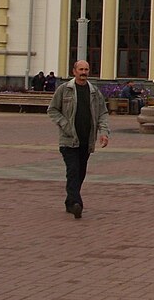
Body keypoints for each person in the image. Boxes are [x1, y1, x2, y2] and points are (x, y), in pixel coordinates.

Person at [47, 60, 110, 219]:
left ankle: (70, 202)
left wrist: (104, 132)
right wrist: (64, 124)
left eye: (86, 69)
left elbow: (102, 113)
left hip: (86, 140)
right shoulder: (64, 90)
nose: (84, 72)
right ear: (74, 71)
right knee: (73, 170)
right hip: (68, 140)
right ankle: (77, 204)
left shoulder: (94, 92)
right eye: (81, 69)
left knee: (80, 172)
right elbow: (53, 110)